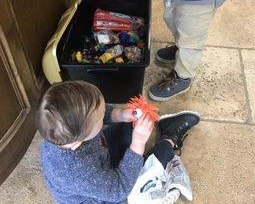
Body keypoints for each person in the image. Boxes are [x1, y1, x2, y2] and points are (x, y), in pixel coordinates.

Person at [36, 80, 200, 204]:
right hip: (105, 196)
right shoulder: (75, 172)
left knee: (129, 125)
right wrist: (138, 143)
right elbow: (119, 189)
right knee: (149, 170)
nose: (105, 112)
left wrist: (120, 115)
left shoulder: (63, 134)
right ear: (80, 139)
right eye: (101, 117)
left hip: (101, 158)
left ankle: (144, 147)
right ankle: (169, 139)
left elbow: (97, 113)